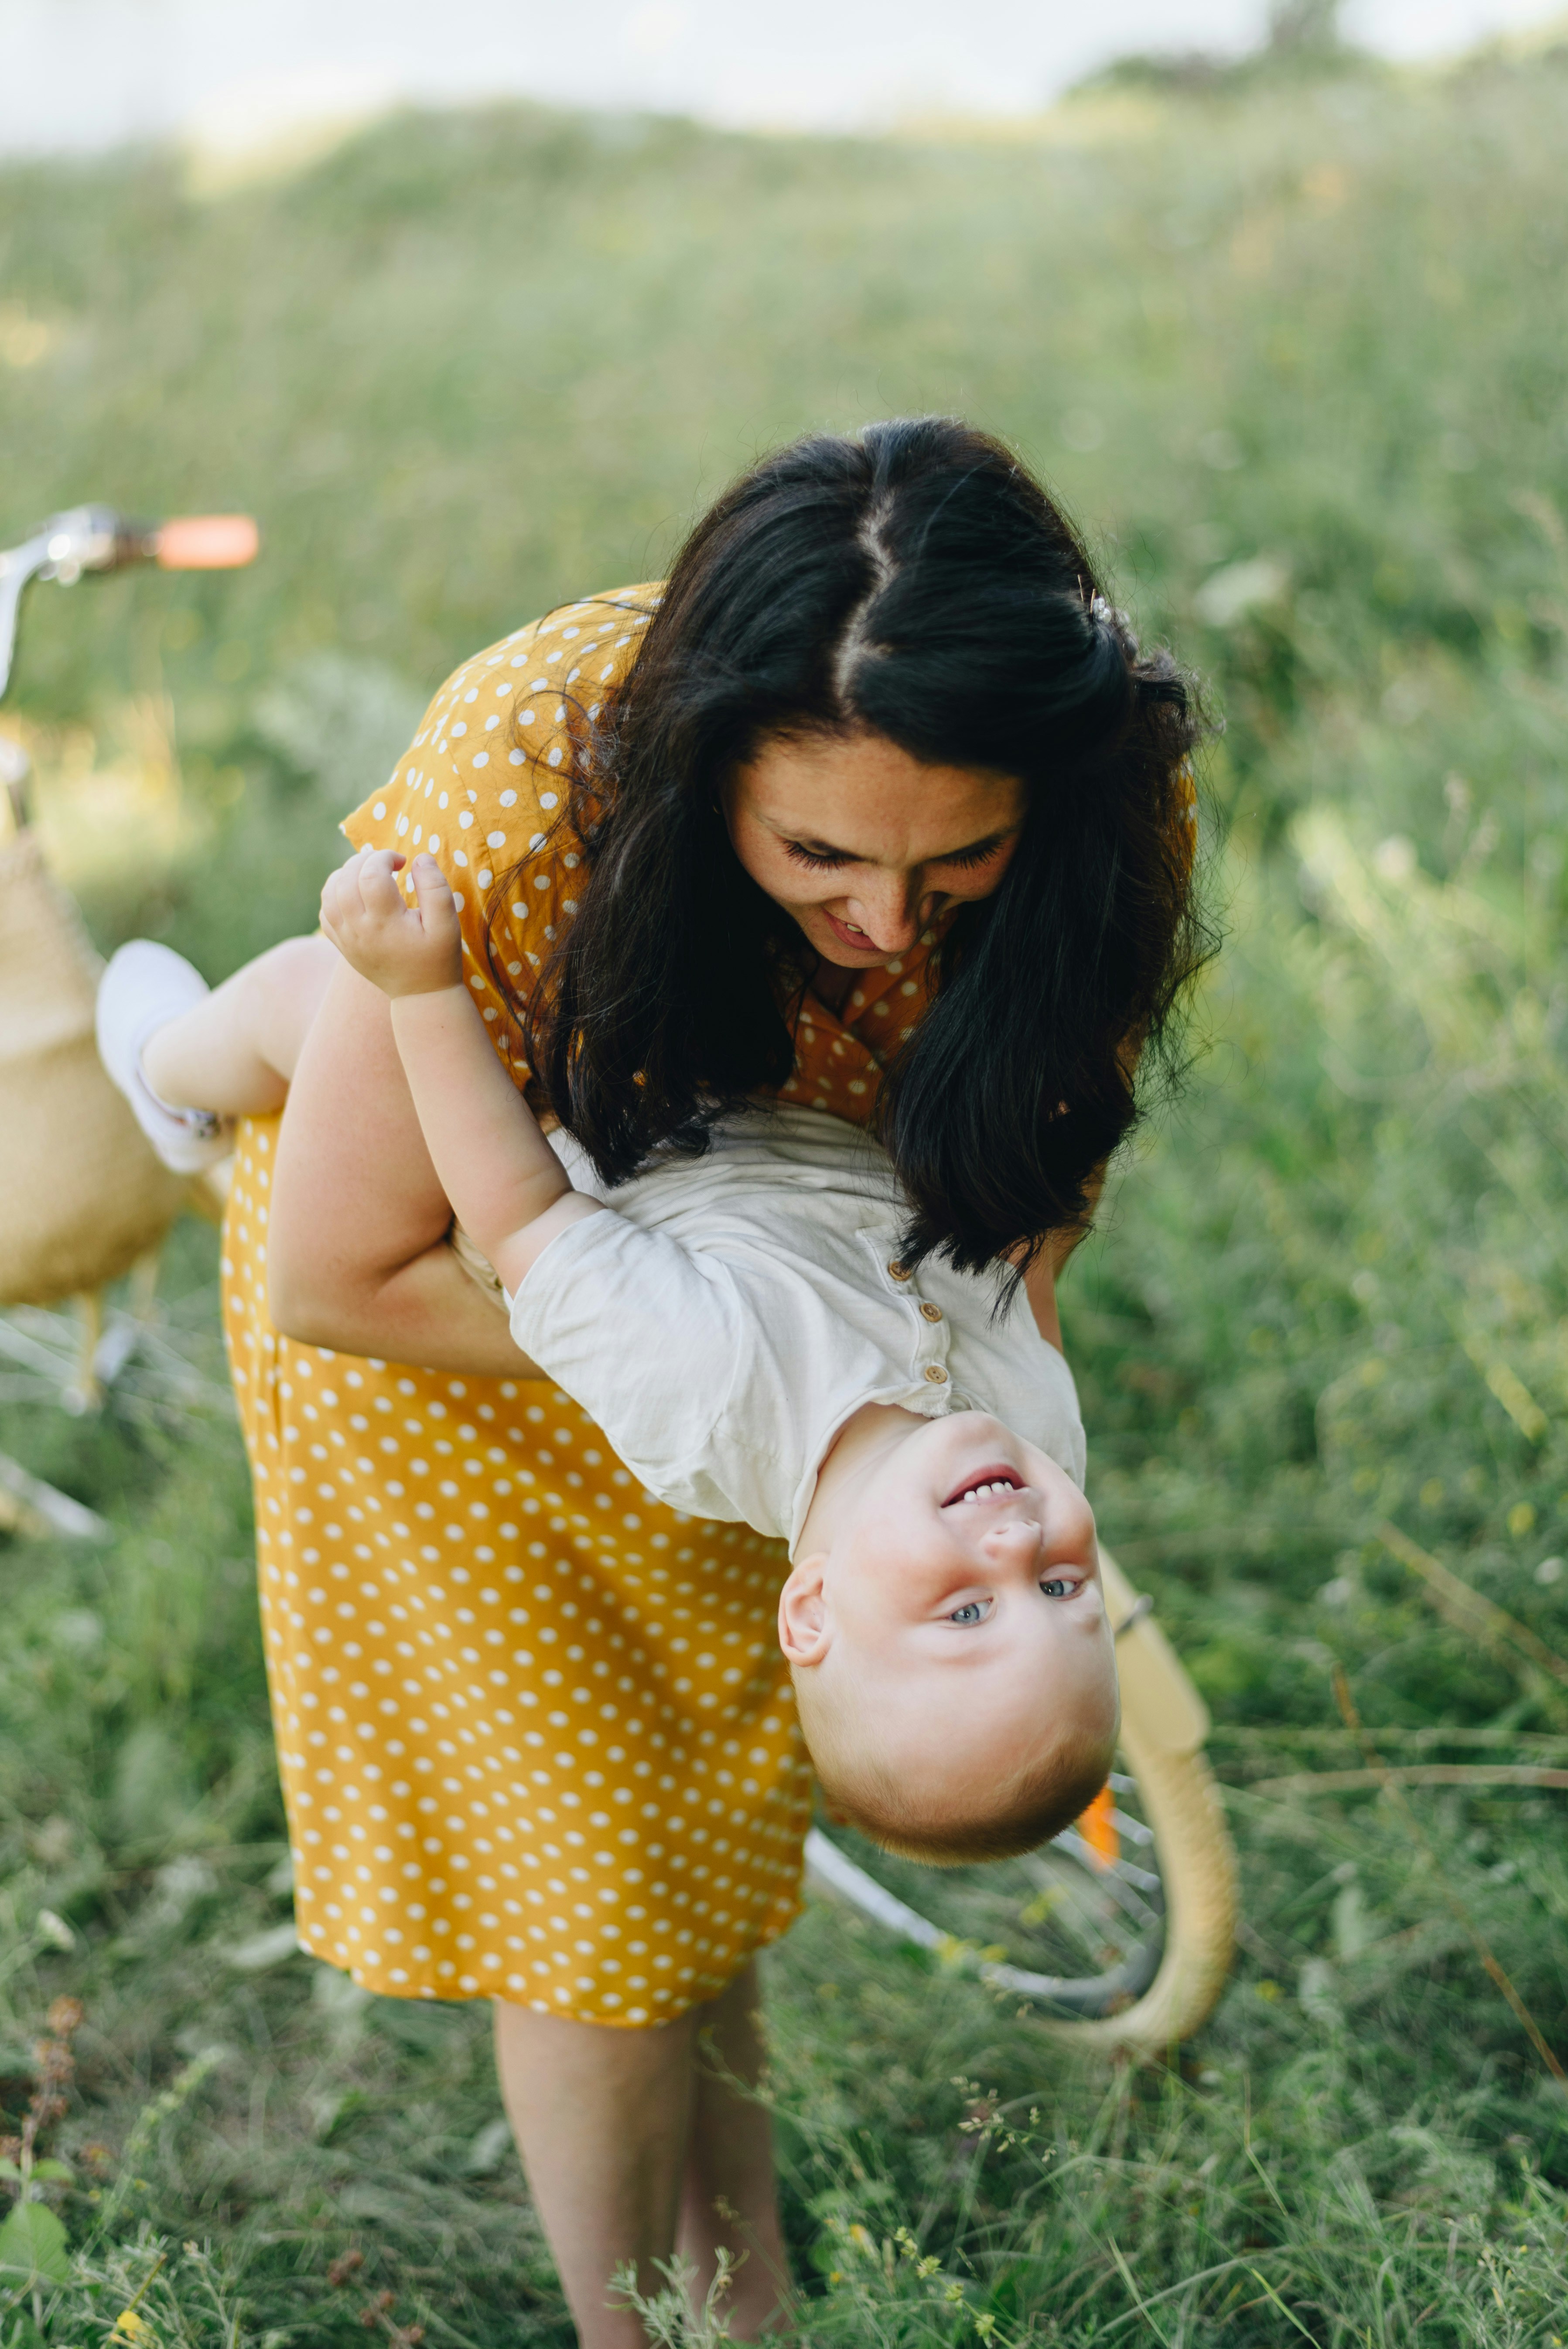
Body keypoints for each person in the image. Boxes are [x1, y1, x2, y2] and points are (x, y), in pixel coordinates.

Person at [100, 418, 1206, 2346]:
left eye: (958, 863)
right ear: (706, 778)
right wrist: (431, 995)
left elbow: (1036, 1201)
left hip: (695, 1365)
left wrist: (831, 1479)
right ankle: (637, 2330)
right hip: (437, 1300)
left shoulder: (1089, 768)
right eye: (820, 857)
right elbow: (369, 1271)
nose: (881, 924)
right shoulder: (525, 790)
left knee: (695, 1866)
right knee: (596, 1916)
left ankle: (738, 2307)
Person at [99, 838, 1120, 1864]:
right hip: (728, 1102)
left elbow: (520, 1209)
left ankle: (165, 1074)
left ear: (812, 1606)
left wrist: (420, 991)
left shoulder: (712, 1391)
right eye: (1066, 1590)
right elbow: (1024, 1250)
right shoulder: (1035, 1440)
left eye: (970, 1607)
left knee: (308, 995)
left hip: (547, 1146)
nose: (1019, 1545)